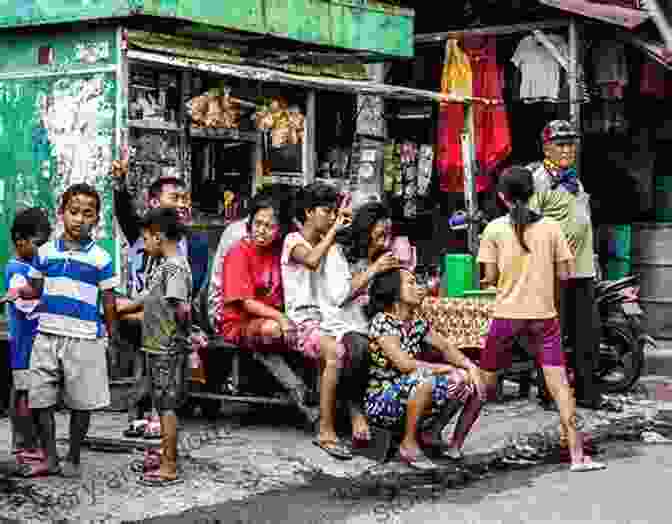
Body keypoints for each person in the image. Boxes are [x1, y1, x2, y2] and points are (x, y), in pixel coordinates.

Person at [477, 166, 605, 472]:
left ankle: (453, 443)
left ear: (502, 197)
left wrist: (499, 280)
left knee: (484, 384)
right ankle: (577, 455)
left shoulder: (493, 229)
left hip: (506, 316)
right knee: (560, 386)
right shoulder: (551, 228)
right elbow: (565, 274)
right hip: (543, 317)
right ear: (533, 194)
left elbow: (490, 278)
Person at [21, 184, 119, 478]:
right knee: (39, 398)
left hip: (85, 338)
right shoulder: (45, 253)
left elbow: (109, 302)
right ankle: (50, 458)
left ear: (96, 219)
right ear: (61, 213)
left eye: (87, 214)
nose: (79, 219)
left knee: (82, 401)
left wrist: (112, 338)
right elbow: (35, 288)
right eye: (73, 212)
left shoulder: (101, 258)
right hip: (47, 334)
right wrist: (15, 293)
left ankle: (73, 456)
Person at [111, 160, 210, 437]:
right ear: (154, 202)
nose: (181, 203)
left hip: (170, 319)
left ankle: (156, 415)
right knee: (143, 347)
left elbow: (191, 290)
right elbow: (124, 212)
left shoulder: (194, 243)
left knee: (158, 361)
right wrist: (120, 183)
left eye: (184, 198)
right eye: (174, 197)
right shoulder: (143, 234)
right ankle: (144, 413)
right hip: (143, 317)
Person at [527, 120, 617, 412]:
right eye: (560, 144)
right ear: (547, 147)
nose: (567, 149)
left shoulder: (574, 180)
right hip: (553, 271)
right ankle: (548, 393)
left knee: (588, 334)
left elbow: (583, 221)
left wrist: (592, 260)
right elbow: (529, 226)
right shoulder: (538, 180)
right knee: (553, 334)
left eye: (570, 143)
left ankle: (589, 393)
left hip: (582, 270)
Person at [366, 268, 483, 470]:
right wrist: (446, 369)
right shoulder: (382, 322)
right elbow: (405, 364)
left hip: (412, 389)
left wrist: (470, 367)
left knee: (469, 380)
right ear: (394, 292)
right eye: (410, 283)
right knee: (426, 379)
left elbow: (445, 347)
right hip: (383, 399)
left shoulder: (417, 323)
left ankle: (437, 436)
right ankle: (408, 445)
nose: (418, 288)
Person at [281, 183, 359, 460]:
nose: (331, 217)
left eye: (334, 212)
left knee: (358, 345)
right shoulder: (293, 241)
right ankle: (325, 430)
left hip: (326, 321)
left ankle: (354, 419)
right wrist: (335, 232)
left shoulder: (328, 244)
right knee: (335, 352)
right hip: (301, 324)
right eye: (327, 211)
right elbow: (311, 261)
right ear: (309, 212)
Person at [116, 208, 192, 486]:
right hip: (158, 346)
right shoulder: (165, 266)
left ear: (158, 237)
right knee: (162, 406)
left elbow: (180, 306)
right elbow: (149, 299)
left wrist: (179, 337)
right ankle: (164, 456)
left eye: (146, 238)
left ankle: (169, 466)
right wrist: (122, 309)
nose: (144, 243)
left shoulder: (173, 267)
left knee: (166, 407)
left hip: (166, 348)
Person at [2, 208, 51, 472]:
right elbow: (26, 306)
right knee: (23, 393)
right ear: (21, 240)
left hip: (31, 342)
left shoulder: (30, 265)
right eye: (38, 244)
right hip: (24, 342)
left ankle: (25, 441)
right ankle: (24, 443)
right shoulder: (17, 269)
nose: (41, 250)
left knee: (26, 391)